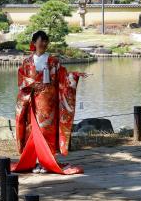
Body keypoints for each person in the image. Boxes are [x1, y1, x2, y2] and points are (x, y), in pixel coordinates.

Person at [12, 30, 87, 175]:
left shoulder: (53, 61)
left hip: (49, 103)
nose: (44, 44)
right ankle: (35, 162)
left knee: (47, 132)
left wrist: (74, 75)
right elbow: (21, 79)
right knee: (33, 132)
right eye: (41, 41)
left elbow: (63, 78)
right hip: (32, 101)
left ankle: (47, 162)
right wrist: (33, 84)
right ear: (34, 42)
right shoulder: (27, 62)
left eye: (46, 41)